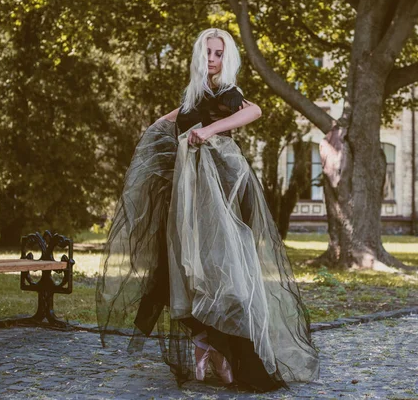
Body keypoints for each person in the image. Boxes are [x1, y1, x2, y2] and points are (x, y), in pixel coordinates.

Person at [96, 28, 320, 392]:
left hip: (216, 194)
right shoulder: (196, 94)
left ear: (226, 58)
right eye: (207, 53)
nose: (212, 59)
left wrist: (212, 129)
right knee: (180, 268)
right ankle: (205, 340)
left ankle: (222, 345)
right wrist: (158, 126)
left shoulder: (228, 93)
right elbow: (181, 115)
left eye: (217, 53)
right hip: (188, 197)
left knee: (217, 267)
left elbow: (255, 111)